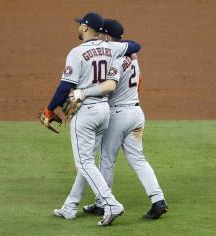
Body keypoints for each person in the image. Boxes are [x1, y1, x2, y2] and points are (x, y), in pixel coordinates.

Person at [39, 12, 141, 226]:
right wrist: (118, 45)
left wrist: (49, 110)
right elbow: (135, 45)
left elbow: (65, 86)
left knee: (84, 163)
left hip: (85, 113)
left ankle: (111, 204)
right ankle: (70, 206)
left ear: (85, 28)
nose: (78, 28)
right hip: (105, 112)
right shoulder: (111, 48)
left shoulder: (76, 53)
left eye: (80, 25)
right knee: (87, 162)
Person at [71, 19, 168, 220]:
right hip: (136, 113)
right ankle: (158, 199)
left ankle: (101, 204)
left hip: (118, 116)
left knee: (106, 159)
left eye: (101, 35)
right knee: (138, 159)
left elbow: (110, 86)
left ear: (107, 36)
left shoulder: (114, 58)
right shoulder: (133, 56)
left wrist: (83, 93)